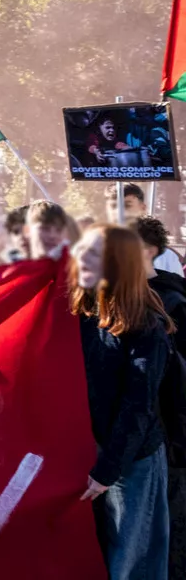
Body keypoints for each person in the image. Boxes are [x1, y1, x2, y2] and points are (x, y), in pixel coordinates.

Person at [71, 225, 172, 579]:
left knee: (129, 561)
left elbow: (138, 407)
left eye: (94, 252)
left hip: (131, 463)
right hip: (92, 457)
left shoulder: (146, 327)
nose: (83, 258)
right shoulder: (77, 314)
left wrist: (107, 471)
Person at [133, 217, 186, 577]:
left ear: (150, 251)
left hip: (170, 433)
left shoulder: (174, 302)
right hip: (146, 433)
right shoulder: (122, 296)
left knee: (172, 525)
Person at [109, 184, 184, 277]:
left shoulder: (166, 257)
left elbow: (177, 287)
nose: (119, 211)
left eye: (127, 205)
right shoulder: (97, 252)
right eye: (113, 206)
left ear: (143, 208)